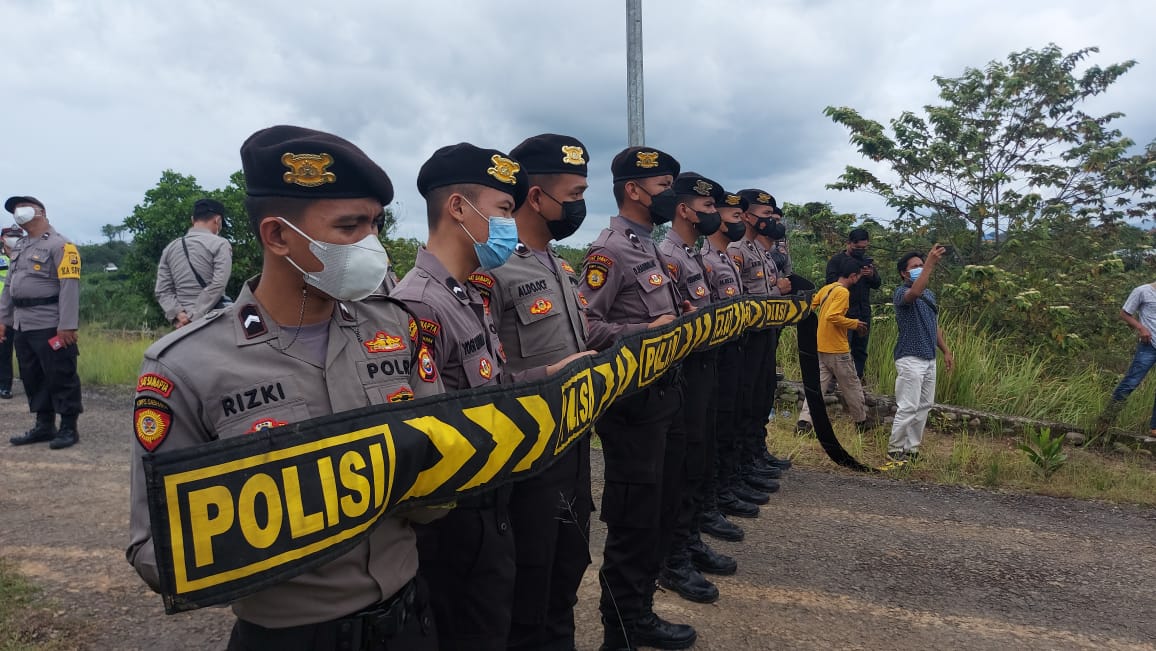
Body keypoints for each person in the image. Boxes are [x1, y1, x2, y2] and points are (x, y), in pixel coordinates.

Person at [126, 125, 444, 650]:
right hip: (291, 636)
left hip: (410, 618)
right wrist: (288, 503)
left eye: (374, 225)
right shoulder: (186, 366)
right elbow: (157, 554)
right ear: (277, 236)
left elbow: (442, 484)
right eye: (350, 227)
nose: (372, 245)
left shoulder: (400, 331)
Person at [391, 142, 592, 651]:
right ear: (459, 208)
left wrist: (551, 372)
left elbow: (494, 386)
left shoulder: (465, 293)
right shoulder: (418, 303)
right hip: (457, 518)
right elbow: (432, 423)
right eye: (503, 210)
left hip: (496, 498)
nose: (509, 223)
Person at [468, 133, 595, 651]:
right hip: (527, 461)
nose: (581, 206)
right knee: (528, 587)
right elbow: (482, 378)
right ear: (536, 197)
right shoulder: (491, 270)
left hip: (575, 443)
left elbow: (586, 336)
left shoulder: (558, 265)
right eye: (574, 194)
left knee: (568, 570)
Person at [577, 146, 697, 651]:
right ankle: (620, 632)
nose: (671, 195)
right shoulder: (610, 251)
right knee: (631, 523)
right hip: (631, 408)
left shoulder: (647, 246)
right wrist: (644, 329)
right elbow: (586, 327)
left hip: (664, 397)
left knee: (656, 515)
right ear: (634, 189)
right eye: (664, 186)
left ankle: (639, 611)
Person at [656, 172, 737, 606]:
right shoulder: (667, 254)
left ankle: (688, 539)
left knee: (701, 454)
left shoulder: (693, 254)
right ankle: (674, 556)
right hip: (683, 370)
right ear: (685, 210)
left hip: (708, 363)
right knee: (684, 463)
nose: (714, 215)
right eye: (707, 209)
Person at [1, 196, 83, 450]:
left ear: (40, 211)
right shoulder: (20, 246)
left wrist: (68, 324)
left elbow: (69, 287)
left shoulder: (61, 245)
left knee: (61, 374)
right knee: (32, 375)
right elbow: (9, 286)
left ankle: (69, 427)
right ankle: (44, 424)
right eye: (14, 210)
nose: (17, 212)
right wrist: (4, 319)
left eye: (22, 207)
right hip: (23, 324)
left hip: (50, 322)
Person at [698, 189, 752, 539]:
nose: (739, 223)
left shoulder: (726, 258)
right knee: (708, 433)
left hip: (734, 346)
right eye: (733, 217)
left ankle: (728, 483)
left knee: (735, 415)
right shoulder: (700, 257)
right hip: (708, 355)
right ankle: (708, 503)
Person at [888, 245, 954, 462]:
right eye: (915, 267)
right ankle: (895, 449)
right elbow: (914, 293)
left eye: (921, 265)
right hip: (910, 357)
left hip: (928, 357)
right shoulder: (901, 293)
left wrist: (945, 350)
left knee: (924, 406)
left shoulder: (930, 295)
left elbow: (933, 325)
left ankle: (911, 449)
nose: (919, 269)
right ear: (903, 273)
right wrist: (930, 264)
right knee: (908, 406)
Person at [796, 257, 869, 432]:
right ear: (853, 276)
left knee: (817, 388)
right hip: (837, 349)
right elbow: (833, 316)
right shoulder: (843, 293)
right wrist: (855, 324)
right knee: (851, 386)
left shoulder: (827, 289)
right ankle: (861, 422)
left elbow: (810, 307)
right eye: (858, 277)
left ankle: (804, 422)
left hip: (821, 346)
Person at [154, 198, 233, 328]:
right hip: (213, 320)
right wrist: (196, 316)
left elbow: (162, 290)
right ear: (217, 220)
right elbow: (218, 284)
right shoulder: (220, 244)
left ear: (192, 220)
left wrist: (178, 314)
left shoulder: (170, 248)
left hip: (182, 325)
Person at [1097, 280, 1156, 436]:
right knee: (1131, 382)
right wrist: (1141, 328)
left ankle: (1154, 428)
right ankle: (1104, 422)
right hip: (1149, 345)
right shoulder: (1142, 291)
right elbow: (1124, 313)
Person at [825, 228, 881, 381]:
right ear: (849, 243)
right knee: (842, 347)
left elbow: (877, 284)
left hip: (863, 311)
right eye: (858, 248)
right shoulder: (836, 261)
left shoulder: (867, 262)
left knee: (860, 348)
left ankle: (856, 379)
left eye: (864, 248)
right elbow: (830, 284)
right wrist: (852, 278)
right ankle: (834, 381)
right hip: (844, 312)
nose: (861, 251)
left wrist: (871, 275)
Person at [0, 226, 21, 399]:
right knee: (3, 351)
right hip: (2, 314)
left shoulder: (27, 257)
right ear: (2, 238)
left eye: (17, 236)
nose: (13, 238)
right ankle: (4, 385)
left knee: (26, 351)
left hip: (24, 312)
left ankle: (33, 385)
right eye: (10, 236)